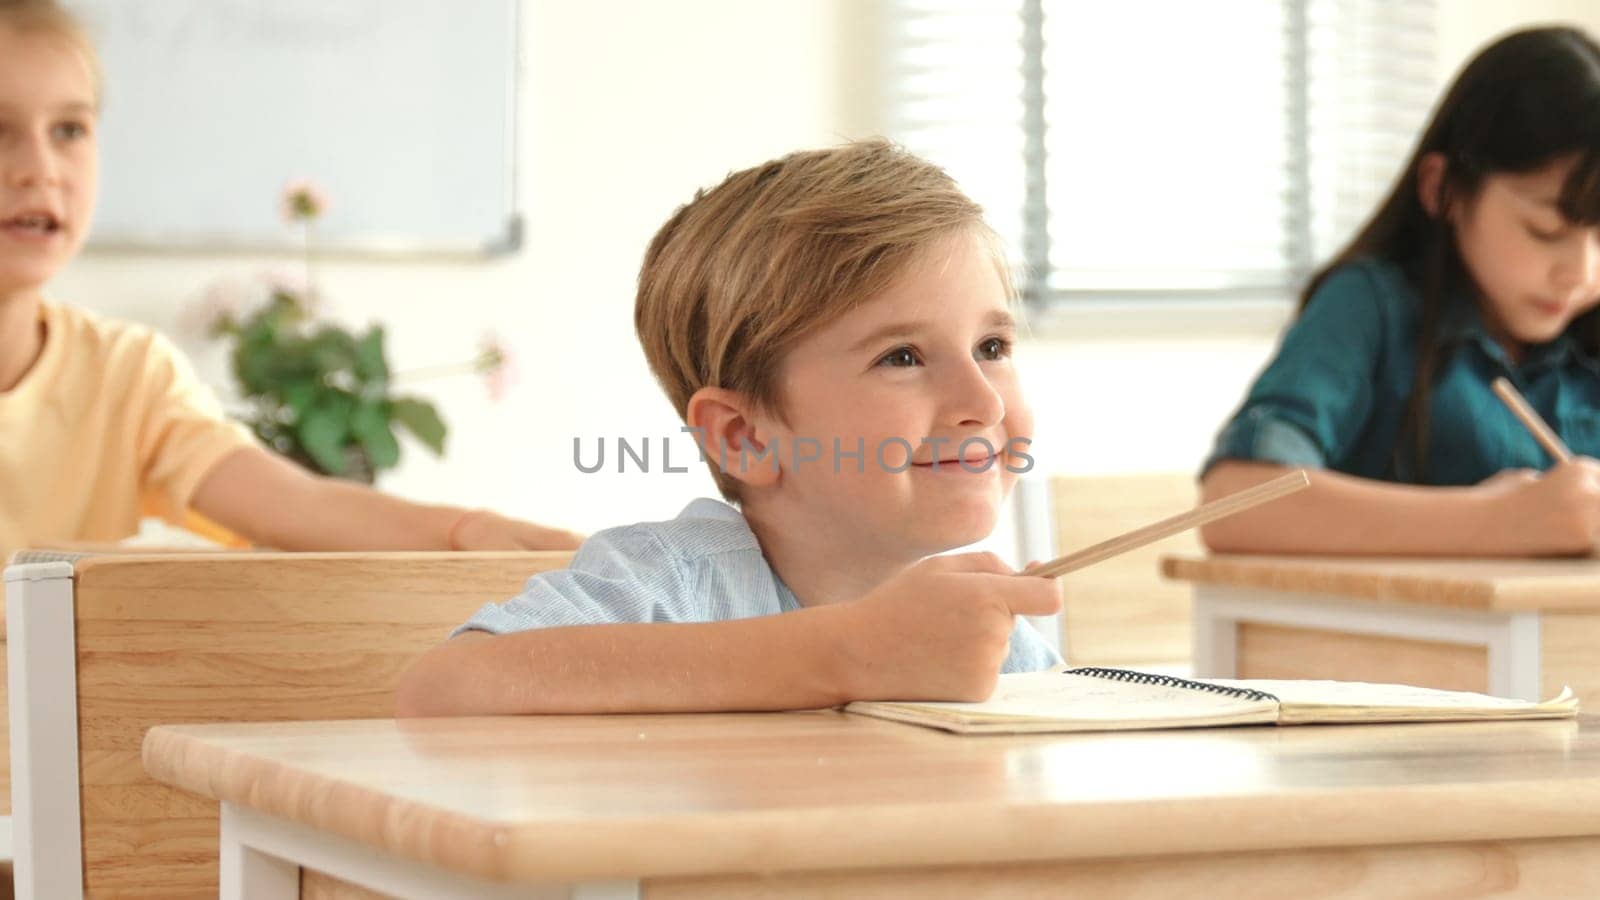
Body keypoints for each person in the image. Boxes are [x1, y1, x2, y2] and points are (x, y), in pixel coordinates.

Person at [396, 140, 1062, 716]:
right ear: (743, 436)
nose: (983, 402)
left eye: (993, 348)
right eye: (902, 358)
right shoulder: (671, 583)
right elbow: (444, 689)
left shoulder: (986, 636)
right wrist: (845, 652)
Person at [0, 0, 582, 559]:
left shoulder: (125, 375)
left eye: (70, 131)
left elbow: (294, 504)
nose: (41, 171)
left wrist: (466, 534)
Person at [1201, 26, 1600, 557]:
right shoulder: (1371, 308)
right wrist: (1498, 521)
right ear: (1444, 190)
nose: (1579, 271)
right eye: (1545, 232)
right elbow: (1235, 503)